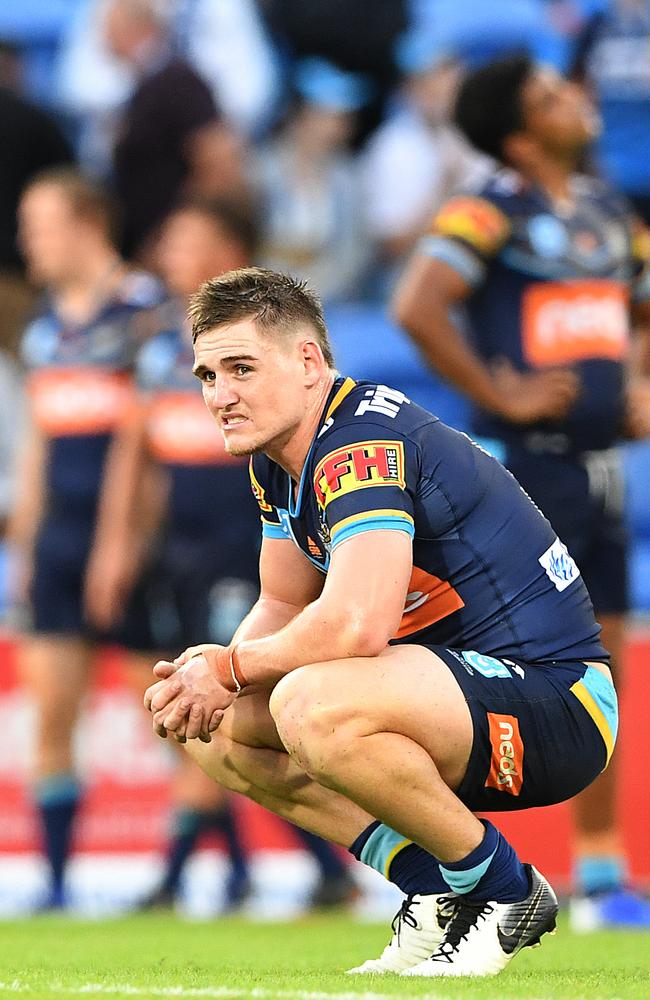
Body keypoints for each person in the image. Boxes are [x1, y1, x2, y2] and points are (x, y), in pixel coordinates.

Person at [143, 266, 617, 977]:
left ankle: (506, 890)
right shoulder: (280, 459)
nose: (220, 396)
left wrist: (227, 666)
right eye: (207, 375)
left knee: (309, 702)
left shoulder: (357, 445)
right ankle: (432, 888)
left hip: (559, 703)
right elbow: (280, 604)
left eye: (241, 368)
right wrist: (210, 683)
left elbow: (357, 625)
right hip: (450, 699)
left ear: (309, 362)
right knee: (221, 730)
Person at [392, 55, 650, 930]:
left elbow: (639, 314)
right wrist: (502, 393)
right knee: (482, 673)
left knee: (597, 673)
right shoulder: (487, 212)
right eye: (549, 97)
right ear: (517, 131)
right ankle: (446, 861)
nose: (576, 99)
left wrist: (639, 380)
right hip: (524, 475)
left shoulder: (613, 214)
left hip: (602, 470)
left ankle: (605, 876)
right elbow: (417, 305)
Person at [86, 200, 356, 911]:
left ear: (230, 250)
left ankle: (179, 874)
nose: (173, 254)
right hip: (181, 547)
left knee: (218, 699)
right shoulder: (157, 351)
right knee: (195, 707)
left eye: (190, 241)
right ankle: (294, 870)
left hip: (252, 545)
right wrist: (118, 547)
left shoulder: (277, 347)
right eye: (169, 241)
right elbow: (136, 458)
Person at [6, 167, 165, 909]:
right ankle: (58, 885)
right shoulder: (44, 330)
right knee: (54, 713)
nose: (27, 240)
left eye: (40, 224)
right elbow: (39, 449)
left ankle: (229, 858)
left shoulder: (145, 316)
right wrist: (29, 549)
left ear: (86, 224)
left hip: (135, 550)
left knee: (172, 709)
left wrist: (126, 545)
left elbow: (152, 449)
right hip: (61, 547)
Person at [102, 0, 246, 262]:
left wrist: (176, 239)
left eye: (107, 27)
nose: (102, 38)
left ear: (133, 27)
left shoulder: (178, 81)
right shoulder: (144, 88)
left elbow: (220, 164)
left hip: (174, 257)